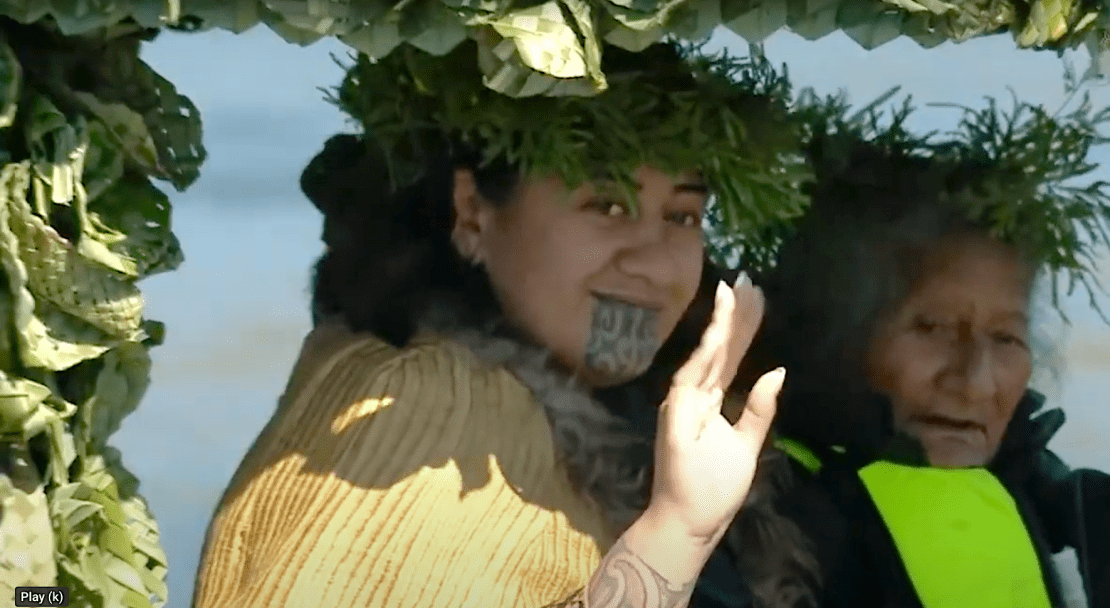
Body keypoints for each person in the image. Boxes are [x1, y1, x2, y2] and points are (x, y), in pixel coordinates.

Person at [191, 41, 819, 608]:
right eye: (605, 205)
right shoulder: (424, 411)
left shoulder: (641, 418)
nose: (655, 265)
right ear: (473, 214)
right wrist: (676, 531)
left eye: (682, 216)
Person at [742, 137, 1110, 608]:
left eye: (1006, 339)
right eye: (931, 328)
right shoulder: (766, 511)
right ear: (833, 337)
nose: (975, 381)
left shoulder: (1062, 508)